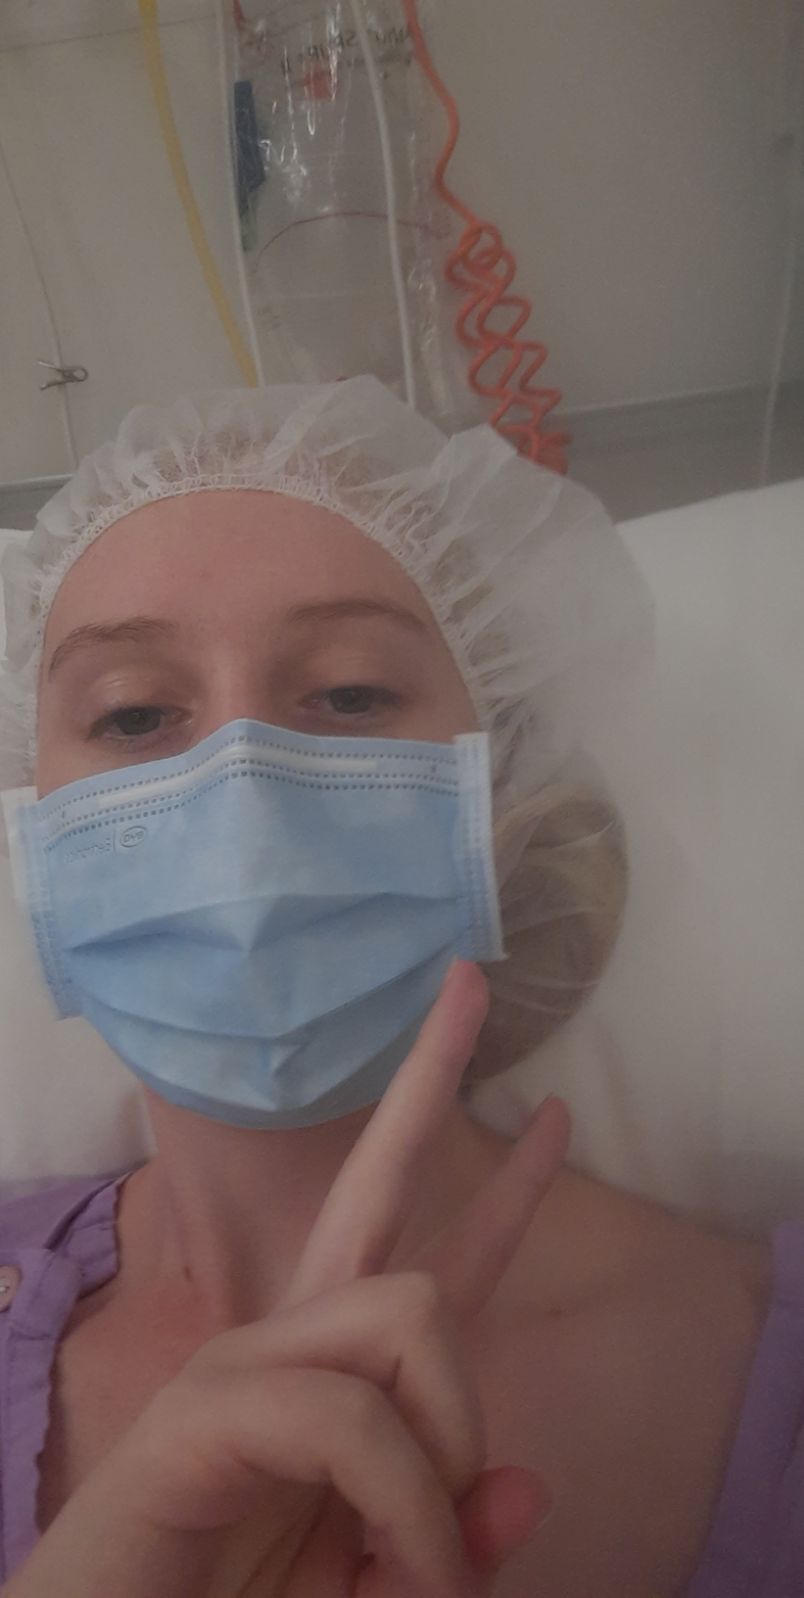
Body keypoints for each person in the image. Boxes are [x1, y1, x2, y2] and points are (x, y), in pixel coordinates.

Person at [0, 377, 796, 1597]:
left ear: (503, 787)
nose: (245, 798)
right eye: (135, 712)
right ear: (34, 810)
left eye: (351, 694)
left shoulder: (755, 1360)